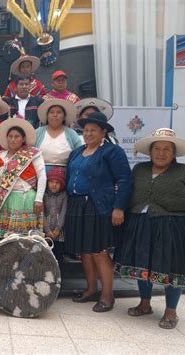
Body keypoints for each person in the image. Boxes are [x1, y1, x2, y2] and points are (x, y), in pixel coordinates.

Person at [115, 128, 185, 329]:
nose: (161, 153)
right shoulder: (140, 169)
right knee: (143, 264)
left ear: (174, 153)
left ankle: (171, 311)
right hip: (141, 224)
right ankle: (144, 303)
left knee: (171, 267)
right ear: (150, 152)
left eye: (167, 149)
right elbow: (128, 193)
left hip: (173, 226)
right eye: (157, 148)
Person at [65, 112, 132, 312]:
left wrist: (119, 207)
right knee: (85, 251)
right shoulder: (76, 152)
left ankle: (107, 295)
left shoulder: (113, 152)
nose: (88, 133)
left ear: (103, 132)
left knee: (100, 251)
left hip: (98, 205)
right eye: (85, 130)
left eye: (93, 130)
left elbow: (125, 180)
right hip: (77, 205)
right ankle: (91, 289)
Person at [0, 118, 46, 239]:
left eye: (17, 136)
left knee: (26, 238)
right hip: (6, 201)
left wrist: (39, 199)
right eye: (10, 136)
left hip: (26, 199)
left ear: (23, 139)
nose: (13, 139)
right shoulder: (1, 156)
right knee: (7, 239)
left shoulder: (32, 154)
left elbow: (42, 176)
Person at [35, 98, 82, 171]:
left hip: (65, 174)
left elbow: (80, 153)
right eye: (51, 112)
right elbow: (29, 152)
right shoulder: (38, 132)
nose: (55, 115)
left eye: (59, 112)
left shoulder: (71, 133)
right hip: (40, 173)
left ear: (64, 117)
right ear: (47, 116)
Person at [43, 167, 68, 264]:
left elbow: (63, 212)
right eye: (51, 182)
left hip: (60, 233)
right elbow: (41, 214)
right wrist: (47, 230)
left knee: (58, 255)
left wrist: (57, 229)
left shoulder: (64, 195)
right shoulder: (44, 195)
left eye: (57, 182)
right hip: (46, 232)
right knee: (46, 255)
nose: (54, 185)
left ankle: (59, 277)